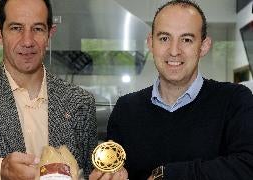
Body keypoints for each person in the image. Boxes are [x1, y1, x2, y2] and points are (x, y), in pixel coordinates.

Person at [104, 0, 253, 180]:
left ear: (204, 46)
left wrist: (166, 175)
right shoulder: (126, 109)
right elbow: (114, 167)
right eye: (164, 38)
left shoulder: (235, 100)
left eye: (187, 39)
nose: (174, 51)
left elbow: (247, 166)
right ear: (151, 43)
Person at [0, 0, 97, 179]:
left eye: (37, 29)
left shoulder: (80, 102)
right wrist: (0, 168)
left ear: (50, 34)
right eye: (16, 28)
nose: (27, 41)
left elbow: (91, 171)